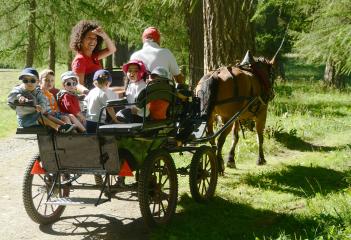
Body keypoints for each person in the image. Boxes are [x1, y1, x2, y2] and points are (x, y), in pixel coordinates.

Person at [8, 67, 74, 133]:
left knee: (46, 115)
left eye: (32, 81)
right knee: (40, 116)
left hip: (37, 116)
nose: (29, 83)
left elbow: (43, 102)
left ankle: (65, 126)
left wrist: (41, 108)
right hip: (24, 120)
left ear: (37, 82)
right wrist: (19, 96)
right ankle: (58, 128)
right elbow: (11, 97)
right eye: (25, 81)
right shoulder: (19, 89)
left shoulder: (38, 92)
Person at [70, 20, 116, 93]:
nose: (92, 41)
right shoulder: (80, 60)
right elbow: (78, 85)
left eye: (95, 38)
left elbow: (112, 49)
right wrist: (90, 94)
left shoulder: (94, 56)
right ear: (80, 39)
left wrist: (104, 35)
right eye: (89, 38)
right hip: (90, 99)